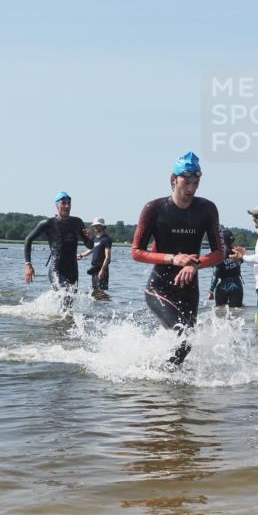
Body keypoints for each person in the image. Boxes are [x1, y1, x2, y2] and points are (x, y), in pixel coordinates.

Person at [130, 151, 223, 364]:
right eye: (187, 179)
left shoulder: (207, 209)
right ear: (174, 179)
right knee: (184, 338)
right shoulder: (154, 208)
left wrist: (196, 265)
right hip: (159, 287)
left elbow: (220, 253)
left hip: (190, 288)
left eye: (197, 179)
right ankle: (166, 386)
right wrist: (173, 259)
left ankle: (163, 377)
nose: (192, 184)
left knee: (187, 343)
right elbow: (136, 252)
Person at [24, 191, 93, 290]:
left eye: (69, 203)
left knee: (70, 302)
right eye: (63, 203)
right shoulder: (48, 223)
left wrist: (91, 237)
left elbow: (90, 246)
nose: (67, 206)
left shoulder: (77, 222)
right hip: (56, 269)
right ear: (57, 205)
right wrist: (28, 265)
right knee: (63, 295)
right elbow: (28, 239)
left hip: (73, 270)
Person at [208, 228, 244, 307]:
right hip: (236, 284)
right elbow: (242, 260)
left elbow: (216, 275)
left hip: (222, 286)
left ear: (221, 241)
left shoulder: (219, 255)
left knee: (219, 312)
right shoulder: (237, 253)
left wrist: (211, 291)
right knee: (237, 311)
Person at [78, 217, 113, 296]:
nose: (95, 227)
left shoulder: (106, 239)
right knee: (95, 292)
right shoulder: (96, 239)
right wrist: (81, 255)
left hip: (101, 269)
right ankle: (99, 307)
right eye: (94, 225)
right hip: (94, 269)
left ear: (102, 226)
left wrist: (102, 270)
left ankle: (108, 305)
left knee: (101, 292)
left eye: (97, 225)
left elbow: (107, 257)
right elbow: (91, 250)